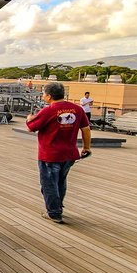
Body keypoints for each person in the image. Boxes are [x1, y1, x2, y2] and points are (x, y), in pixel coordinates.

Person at [26, 82, 92, 224]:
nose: (43, 96)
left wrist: (29, 119)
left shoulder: (48, 110)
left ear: (49, 96)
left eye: (44, 94)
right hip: (69, 154)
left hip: (50, 155)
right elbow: (86, 129)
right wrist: (86, 147)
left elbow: (31, 127)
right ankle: (58, 206)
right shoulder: (77, 109)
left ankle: (54, 213)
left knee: (49, 184)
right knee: (61, 182)